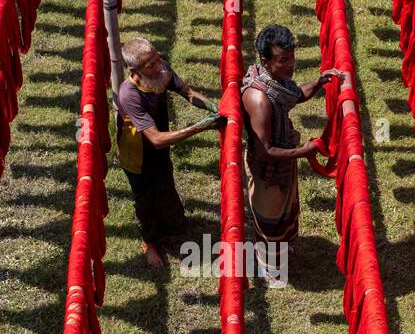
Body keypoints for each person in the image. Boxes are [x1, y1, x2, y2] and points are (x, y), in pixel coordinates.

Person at [240, 24, 345, 260]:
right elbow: (265, 151)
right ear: (265, 61)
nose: (291, 65)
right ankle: (267, 263)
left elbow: (296, 94)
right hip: (268, 170)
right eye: (284, 60)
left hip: (282, 159)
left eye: (292, 58)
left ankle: (279, 251)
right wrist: (304, 151)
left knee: (283, 214)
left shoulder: (276, 82)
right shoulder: (260, 100)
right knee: (270, 218)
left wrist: (319, 83)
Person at [115, 37, 221, 268]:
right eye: (150, 64)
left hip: (159, 144)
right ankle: (150, 243)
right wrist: (200, 127)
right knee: (145, 198)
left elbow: (188, 92)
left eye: (157, 58)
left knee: (165, 180)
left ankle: (172, 223)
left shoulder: (162, 69)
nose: (158, 65)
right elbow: (156, 139)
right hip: (139, 153)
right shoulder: (129, 94)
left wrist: (215, 108)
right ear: (135, 71)